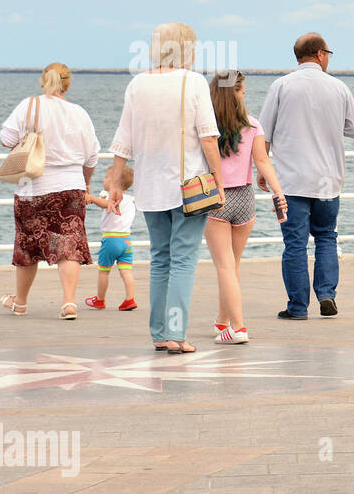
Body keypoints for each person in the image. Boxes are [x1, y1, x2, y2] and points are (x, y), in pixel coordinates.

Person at [106, 22, 225, 353]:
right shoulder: (194, 82)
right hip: (189, 187)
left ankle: (160, 333)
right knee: (184, 258)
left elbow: (123, 139)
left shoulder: (137, 84)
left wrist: (116, 182)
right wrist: (218, 179)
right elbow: (208, 137)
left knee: (160, 258)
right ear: (185, 48)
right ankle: (176, 332)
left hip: (149, 187)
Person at [259, 33, 354, 320]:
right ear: (319, 54)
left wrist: (262, 168)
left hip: (291, 182)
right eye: (328, 52)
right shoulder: (339, 87)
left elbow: (263, 132)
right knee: (327, 237)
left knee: (295, 244)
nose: (328, 57)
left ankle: (298, 307)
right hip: (329, 180)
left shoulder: (281, 86)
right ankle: (327, 295)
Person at [0, 62, 100, 319]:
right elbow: (91, 156)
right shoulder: (79, 113)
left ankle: (20, 302)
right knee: (69, 244)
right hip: (70, 187)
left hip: (33, 186)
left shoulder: (29, 106)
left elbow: (6, 139)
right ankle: (68, 303)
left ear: (44, 82)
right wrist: (86, 184)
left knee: (27, 246)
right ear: (67, 84)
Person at [206, 71, 288, 344]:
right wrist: (278, 191)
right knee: (232, 265)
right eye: (242, 90)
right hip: (244, 198)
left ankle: (239, 329)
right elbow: (263, 162)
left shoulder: (207, 127)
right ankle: (223, 321)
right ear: (235, 93)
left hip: (215, 200)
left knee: (224, 267)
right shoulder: (252, 125)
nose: (245, 94)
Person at [84, 164, 138, 311]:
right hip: (126, 240)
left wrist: (92, 198)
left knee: (103, 271)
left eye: (107, 177)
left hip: (111, 240)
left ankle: (100, 300)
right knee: (126, 271)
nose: (104, 179)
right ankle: (130, 298)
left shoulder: (112, 198)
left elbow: (105, 204)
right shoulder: (130, 200)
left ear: (116, 183)